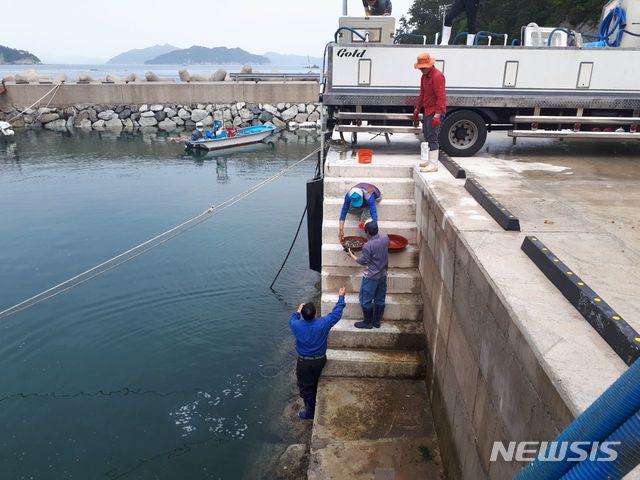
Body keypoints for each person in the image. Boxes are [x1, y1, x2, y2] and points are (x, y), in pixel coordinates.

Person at [289, 287, 346, 419]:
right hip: (320, 360)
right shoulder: (323, 323)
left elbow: (292, 319)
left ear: (303, 316)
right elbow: (336, 313)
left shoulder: (296, 325)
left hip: (304, 362)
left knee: (305, 387)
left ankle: (309, 413)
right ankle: (314, 396)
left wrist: (298, 310)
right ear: (315, 314)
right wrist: (341, 297)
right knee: (315, 381)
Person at [346, 221, 389, 329]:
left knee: (365, 299)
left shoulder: (367, 245)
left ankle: (368, 322)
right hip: (383, 274)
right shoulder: (385, 238)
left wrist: (352, 256)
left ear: (367, 232)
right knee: (380, 298)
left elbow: (363, 261)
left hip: (371, 276)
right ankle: (377, 322)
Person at [412, 53, 446, 173]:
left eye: (423, 67)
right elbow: (422, 94)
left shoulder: (437, 76)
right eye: (420, 68)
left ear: (430, 65)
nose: (421, 70)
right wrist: (417, 109)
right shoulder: (424, 77)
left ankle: (434, 163)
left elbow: (441, 97)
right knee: (427, 135)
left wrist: (437, 115)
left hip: (435, 111)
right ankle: (430, 161)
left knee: (433, 136)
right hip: (427, 110)